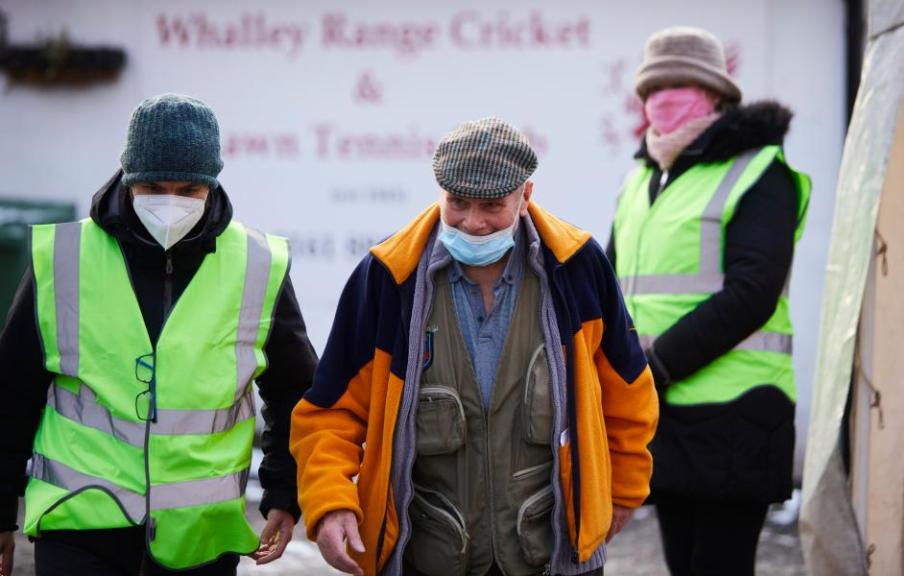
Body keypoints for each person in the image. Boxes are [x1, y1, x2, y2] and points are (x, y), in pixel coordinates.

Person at [290, 117, 659, 576]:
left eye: (491, 206)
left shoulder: (577, 267)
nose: (473, 222)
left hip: (549, 558)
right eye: (457, 203)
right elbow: (329, 412)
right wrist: (329, 501)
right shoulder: (389, 278)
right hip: (426, 558)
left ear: (526, 196)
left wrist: (621, 493)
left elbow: (628, 394)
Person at [0, 93, 318, 576]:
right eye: (152, 186)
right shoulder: (64, 258)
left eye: (189, 190)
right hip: (79, 525)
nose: (170, 202)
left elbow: (296, 392)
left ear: (213, 185)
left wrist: (284, 493)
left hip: (201, 537)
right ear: (126, 179)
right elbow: (11, 391)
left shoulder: (258, 264)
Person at [607, 27, 812, 575]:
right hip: (661, 411)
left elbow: (753, 293)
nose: (664, 98)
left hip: (737, 409)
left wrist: (658, 364)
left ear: (718, 94)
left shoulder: (759, 172)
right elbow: (608, 290)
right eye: (653, 87)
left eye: (681, 84)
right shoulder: (640, 182)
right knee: (682, 565)